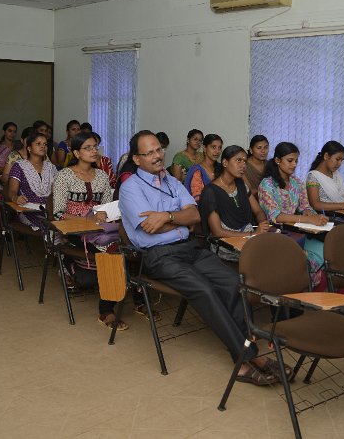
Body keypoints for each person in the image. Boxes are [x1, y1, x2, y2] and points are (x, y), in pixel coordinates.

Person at [120, 130, 283, 385]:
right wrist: (178, 219)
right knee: (205, 290)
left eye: (158, 150)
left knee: (233, 283)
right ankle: (247, 358)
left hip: (189, 248)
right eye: (149, 152)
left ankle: (243, 352)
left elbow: (195, 216)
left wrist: (166, 217)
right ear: (137, 159)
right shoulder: (130, 188)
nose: (157, 155)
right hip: (158, 255)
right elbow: (150, 228)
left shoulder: (172, 182)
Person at [53, 132, 127, 331]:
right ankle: (106, 310)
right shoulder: (64, 175)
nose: (94, 151)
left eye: (95, 147)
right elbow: (58, 213)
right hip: (73, 230)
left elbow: (106, 209)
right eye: (88, 147)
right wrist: (87, 219)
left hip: (99, 229)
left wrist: (103, 214)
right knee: (110, 251)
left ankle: (134, 296)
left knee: (127, 245)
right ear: (77, 153)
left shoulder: (101, 175)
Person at [259, 142, 328, 290]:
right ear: (278, 160)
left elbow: (305, 206)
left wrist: (313, 215)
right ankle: (301, 288)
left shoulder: (296, 182)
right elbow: (275, 216)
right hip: (276, 233)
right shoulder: (267, 184)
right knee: (305, 259)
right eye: (290, 160)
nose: (294, 164)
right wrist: (307, 218)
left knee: (327, 249)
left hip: (296, 232)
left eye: (296, 161)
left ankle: (314, 289)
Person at [199, 145, 270, 260]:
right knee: (266, 257)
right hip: (226, 244)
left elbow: (258, 211)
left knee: (276, 248)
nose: (243, 165)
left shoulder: (241, 184)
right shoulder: (211, 191)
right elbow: (217, 232)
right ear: (225, 163)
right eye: (238, 160)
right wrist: (252, 234)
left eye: (245, 161)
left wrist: (263, 225)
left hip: (249, 238)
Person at [6, 132, 57, 231]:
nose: (43, 146)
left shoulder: (51, 167)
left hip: (50, 210)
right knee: (49, 228)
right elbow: (12, 191)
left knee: (63, 225)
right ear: (29, 148)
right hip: (28, 211)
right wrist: (15, 198)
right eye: (38, 144)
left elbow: (56, 191)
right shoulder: (19, 166)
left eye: (45, 144)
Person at [306, 141, 344, 213]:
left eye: (342, 160)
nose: (339, 163)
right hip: (326, 216)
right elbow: (315, 205)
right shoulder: (312, 177)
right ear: (326, 156)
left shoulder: (336, 174)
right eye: (337, 159)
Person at [183, 134, 223, 202]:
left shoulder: (222, 168)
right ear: (204, 148)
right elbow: (197, 198)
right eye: (213, 147)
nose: (217, 151)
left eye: (219, 148)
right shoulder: (197, 170)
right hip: (203, 206)